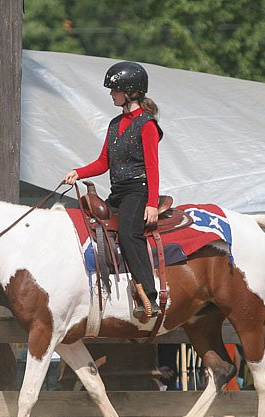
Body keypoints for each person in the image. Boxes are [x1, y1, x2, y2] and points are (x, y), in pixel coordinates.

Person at [63, 61, 164, 319]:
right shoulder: (114, 124)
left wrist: (151, 203)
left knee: (130, 233)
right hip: (118, 191)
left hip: (138, 191)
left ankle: (149, 296)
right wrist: (78, 172)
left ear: (130, 91)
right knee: (92, 225)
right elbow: (103, 162)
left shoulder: (147, 124)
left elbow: (152, 167)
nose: (111, 94)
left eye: (115, 90)